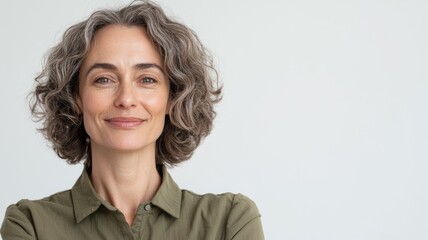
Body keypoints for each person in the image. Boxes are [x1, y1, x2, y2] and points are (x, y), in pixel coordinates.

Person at [0, 1, 264, 239]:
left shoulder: (230, 221)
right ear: (75, 97)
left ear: (173, 98)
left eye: (147, 80)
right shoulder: (30, 225)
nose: (126, 99)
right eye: (103, 79)